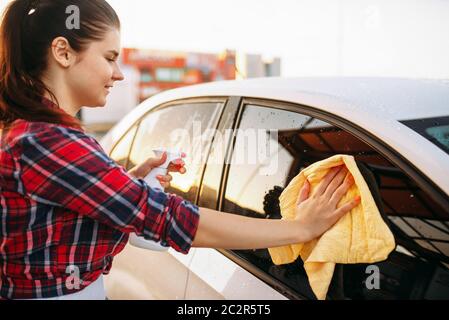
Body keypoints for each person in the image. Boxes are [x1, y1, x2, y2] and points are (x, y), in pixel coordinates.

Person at [0, 0, 360, 300]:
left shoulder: (33, 134)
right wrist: (298, 228)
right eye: (110, 57)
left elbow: (63, 215)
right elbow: (172, 220)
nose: (119, 73)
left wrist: (130, 182)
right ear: (63, 52)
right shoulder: (48, 141)